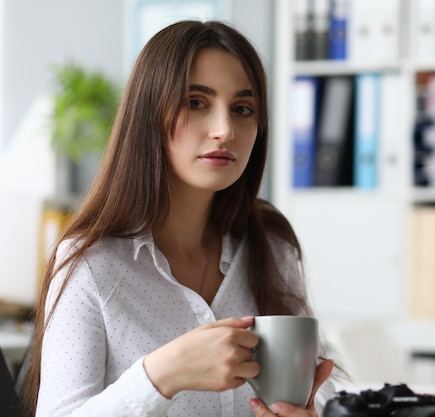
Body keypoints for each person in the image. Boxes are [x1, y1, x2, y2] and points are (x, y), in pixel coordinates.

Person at [21, 20, 337, 417]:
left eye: (242, 109)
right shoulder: (90, 262)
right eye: (196, 102)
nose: (224, 130)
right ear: (149, 114)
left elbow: (324, 387)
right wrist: (162, 375)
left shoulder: (271, 244)